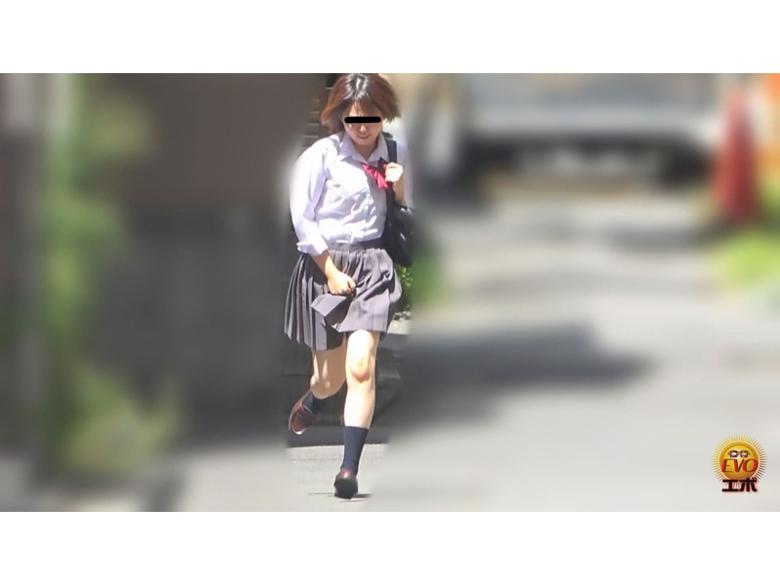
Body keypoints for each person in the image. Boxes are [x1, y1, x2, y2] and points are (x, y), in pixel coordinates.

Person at [283, 73, 413, 499]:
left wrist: (398, 188)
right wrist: (331, 272)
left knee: (361, 366)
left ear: (383, 115)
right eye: (354, 119)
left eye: (371, 119)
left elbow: (408, 214)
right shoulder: (320, 157)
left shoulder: (396, 153)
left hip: (372, 265)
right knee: (330, 379)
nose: (362, 128)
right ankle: (314, 399)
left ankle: (348, 469)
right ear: (341, 116)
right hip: (326, 264)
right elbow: (303, 219)